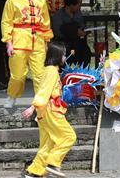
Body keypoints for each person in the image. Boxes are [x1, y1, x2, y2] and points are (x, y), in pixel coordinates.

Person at [21, 41, 76, 178]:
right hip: (51, 110)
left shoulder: (49, 70)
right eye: (63, 54)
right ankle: (53, 163)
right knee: (69, 136)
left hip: (45, 110)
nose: (64, 57)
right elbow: (44, 91)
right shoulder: (51, 71)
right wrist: (33, 107)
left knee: (48, 143)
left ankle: (35, 171)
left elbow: (42, 90)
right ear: (57, 55)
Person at [2, 0, 52, 109]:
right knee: (18, 75)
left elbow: (46, 22)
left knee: (40, 74)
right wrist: (8, 42)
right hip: (19, 40)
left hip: (38, 41)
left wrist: (47, 41)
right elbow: (6, 22)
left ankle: (40, 102)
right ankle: (12, 96)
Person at [51, 0, 91, 66]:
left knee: (86, 51)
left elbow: (81, 25)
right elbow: (57, 32)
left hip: (77, 43)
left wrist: (83, 31)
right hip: (63, 44)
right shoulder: (58, 15)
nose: (80, 6)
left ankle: (83, 71)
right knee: (64, 52)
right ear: (71, 5)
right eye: (79, 4)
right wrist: (74, 32)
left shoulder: (78, 13)